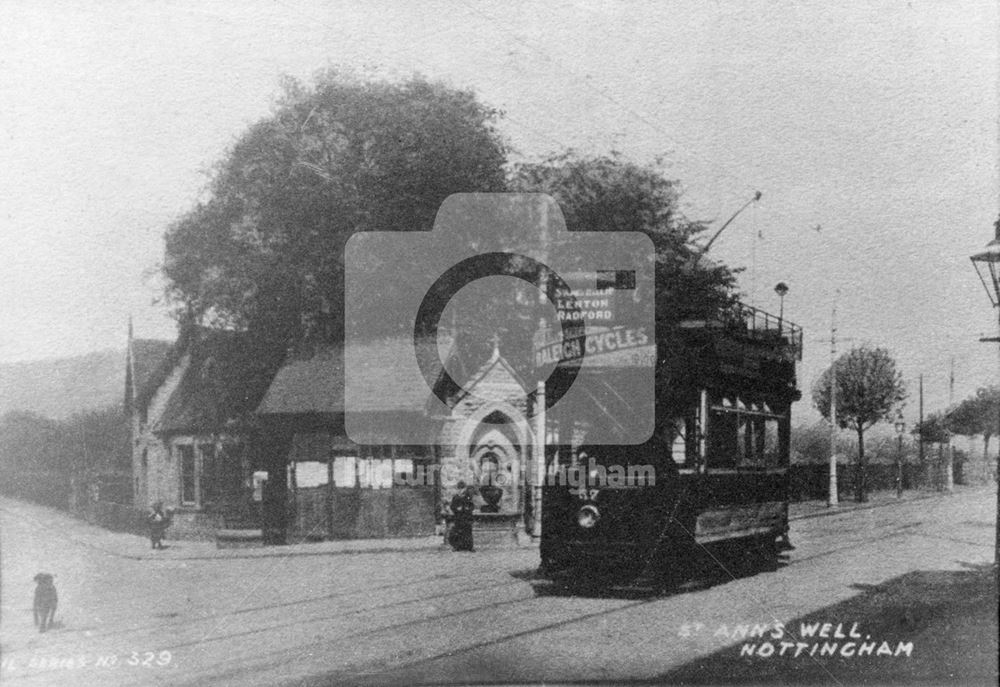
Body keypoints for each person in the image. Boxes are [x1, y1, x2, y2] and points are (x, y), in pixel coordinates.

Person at [448, 481, 476, 552]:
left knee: (468, 532)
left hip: (467, 517)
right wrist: (456, 509)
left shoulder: (468, 496)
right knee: (457, 532)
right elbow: (452, 506)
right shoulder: (455, 497)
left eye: (462, 488)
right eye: (459, 488)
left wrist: (468, 508)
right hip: (458, 517)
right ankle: (457, 546)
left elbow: (472, 506)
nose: (461, 490)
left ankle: (469, 547)